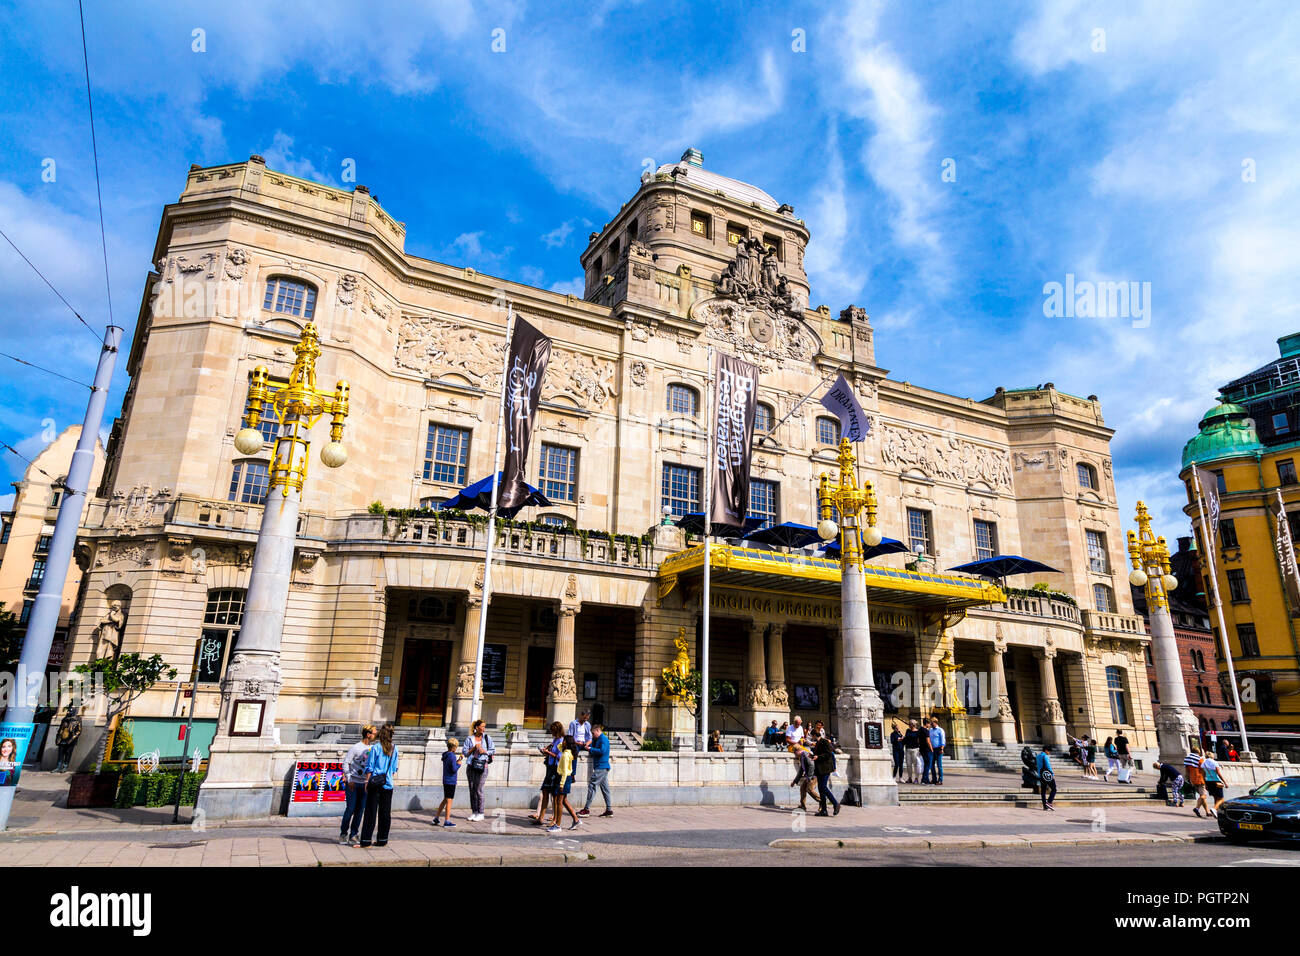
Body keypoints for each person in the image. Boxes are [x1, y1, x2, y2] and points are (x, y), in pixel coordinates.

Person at [359, 724, 399, 848]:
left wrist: (366, 782)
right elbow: (394, 769)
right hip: (388, 784)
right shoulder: (394, 748)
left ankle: (366, 841)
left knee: (371, 812)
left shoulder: (375, 748)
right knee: (385, 813)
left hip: (375, 783)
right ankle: (382, 839)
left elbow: (370, 767)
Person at [340, 724, 376, 845]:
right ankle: (343, 833)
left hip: (364, 784)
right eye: (374, 733)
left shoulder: (372, 749)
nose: (375, 735)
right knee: (350, 809)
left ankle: (354, 834)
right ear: (368, 734)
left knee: (360, 810)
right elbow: (346, 763)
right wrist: (349, 779)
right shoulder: (356, 748)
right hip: (353, 783)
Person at [531, 721, 565, 825]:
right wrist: (546, 749)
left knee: (554, 795)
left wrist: (549, 753)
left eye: (553, 731)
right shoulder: (555, 740)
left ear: (557, 731)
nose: (551, 733)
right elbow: (551, 749)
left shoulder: (562, 741)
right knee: (545, 791)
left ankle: (555, 819)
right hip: (550, 768)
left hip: (555, 769)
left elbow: (560, 756)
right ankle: (540, 817)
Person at [462, 719, 495, 822]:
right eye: (482, 726)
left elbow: (493, 751)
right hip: (471, 765)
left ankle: (481, 813)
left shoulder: (487, 738)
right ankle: (474, 812)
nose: (484, 728)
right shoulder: (469, 738)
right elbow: (465, 752)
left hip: (482, 766)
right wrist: (474, 748)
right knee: (472, 789)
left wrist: (484, 751)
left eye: (485, 726)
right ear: (477, 727)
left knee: (479, 789)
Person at [578, 723, 613, 817]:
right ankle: (609, 810)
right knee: (605, 789)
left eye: (593, 733)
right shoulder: (597, 739)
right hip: (602, 767)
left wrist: (591, 749)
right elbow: (593, 747)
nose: (593, 735)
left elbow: (602, 751)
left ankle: (586, 809)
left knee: (592, 786)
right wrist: (587, 746)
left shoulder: (603, 739)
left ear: (598, 731)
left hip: (601, 767)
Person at [550, 735, 580, 832]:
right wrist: (561, 740)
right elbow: (559, 746)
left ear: (567, 742)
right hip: (565, 778)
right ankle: (576, 819)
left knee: (559, 802)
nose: (562, 742)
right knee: (564, 801)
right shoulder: (567, 752)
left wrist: (561, 784)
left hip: (563, 778)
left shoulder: (566, 755)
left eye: (564, 741)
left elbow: (565, 771)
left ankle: (558, 825)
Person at [436, 736, 462, 828]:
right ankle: (447, 820)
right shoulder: (452, 756)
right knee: (449, 800)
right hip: (451, 781)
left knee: (445, 799)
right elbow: (454, 769)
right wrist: (459, 764)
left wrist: (458, 760)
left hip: (445, 780)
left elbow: (451, 766)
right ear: (454, 747)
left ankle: (436, 817)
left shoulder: (446, 755)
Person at [812, 731, 840, 816]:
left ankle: (835, 803)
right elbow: (819, 754)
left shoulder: (824, 741)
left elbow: (828, 754)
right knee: (821, 789)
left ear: (814, 735)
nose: (811, 738)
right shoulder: (817, 743)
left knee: (823, 787)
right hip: (820, 769)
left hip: (825, 768)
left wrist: (818, 757)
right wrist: (813, 756)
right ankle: (824, 810)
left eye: (812, 736)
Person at [792, 742, 820, 810]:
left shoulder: (806, 755)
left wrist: (809, 777)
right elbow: (801, 770)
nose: (795, 754)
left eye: (794, 752)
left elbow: (811, 765)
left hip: (813, 776)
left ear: (798, 750)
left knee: (809, 789)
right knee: (802, 788)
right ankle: (803, 806)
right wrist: (795, 781)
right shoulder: (802, 757)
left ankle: (821, 801)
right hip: (808, 776)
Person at [1185, 744, 1211, 818]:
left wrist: (1188, 779)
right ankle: (1196, 808)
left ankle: (1207, 812)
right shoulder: (1199, 759)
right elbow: (1204, 770)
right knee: (1204, 795)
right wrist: (1206, 778)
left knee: (1201, 796)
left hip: (1192, 780)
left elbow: (1187, 771)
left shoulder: (1187, 759)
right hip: (1200, 779)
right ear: (1198, 752)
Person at [54, 707, 82, 773]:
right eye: (68, 711)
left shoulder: (77, 720)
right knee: (60, 754)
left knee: (68, 753)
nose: (68, 712)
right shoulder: (64, 719)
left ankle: (65, 766)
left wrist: (72, 739)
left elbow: (78, 731)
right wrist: (57, 738)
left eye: (70, 711)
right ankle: (58, 767)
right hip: (62, 739)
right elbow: (60, 729)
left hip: (70, 740)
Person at [1201, 752, 1225, 817]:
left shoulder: (1204, 763)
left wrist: (1205, 784)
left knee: (1215, 797)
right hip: (1216, 781)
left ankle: (1216, 812)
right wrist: (1225, 782)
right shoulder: (1214, 762)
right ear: (1212, 756)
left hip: (1208, 782)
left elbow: (1203, 775)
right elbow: (1218, 773)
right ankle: (1214, 809)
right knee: (1221, 799)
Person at [902, 719, 924, 784]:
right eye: (909, 724)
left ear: (913, 725)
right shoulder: (908, 731)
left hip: (915, 749)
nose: (909, 725)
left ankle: (916, 778)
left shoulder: (918, 732)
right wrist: (902, 740)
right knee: (908, 765)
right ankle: (909, 778)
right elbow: (906, 739)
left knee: (916, 765)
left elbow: (919, 741)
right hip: (908, 749)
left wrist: (920, 749)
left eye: (910, 724)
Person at [1036, 744, 1057, 811]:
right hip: (1047, 775)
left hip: (1041, 775)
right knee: (1054, 789)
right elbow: (1048, 766)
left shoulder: (1038, 756)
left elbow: (1038, 766)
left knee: (1043, 791)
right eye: (1049, 751)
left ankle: (1045, 806)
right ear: (1046, 750)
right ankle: (1049, 802)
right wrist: (1052, 773)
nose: (1049, 752)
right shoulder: (1045, 756)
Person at [928, 718, 946, 786]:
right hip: (932, 749)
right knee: (932, 765)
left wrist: (942, 748)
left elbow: (943, 739)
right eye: (930, 723)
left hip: (938, 749)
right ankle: (934, 779)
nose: (931, 724)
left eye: (932, 723)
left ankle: (940, 780)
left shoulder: (940, 730)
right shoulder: (930, 730)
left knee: (939, 765)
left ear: (935, 722)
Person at [918, 715, 934, 784]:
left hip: (922, 748)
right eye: (929, 723)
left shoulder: (920, 729)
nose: (930, 725)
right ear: (927, 723)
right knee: (928, 765)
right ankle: (924, 780)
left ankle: (925, 779)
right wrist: (932, 749)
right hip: (927, 750)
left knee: (925, 764)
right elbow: (928, 741)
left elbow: (918, 740)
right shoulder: (926, 731)